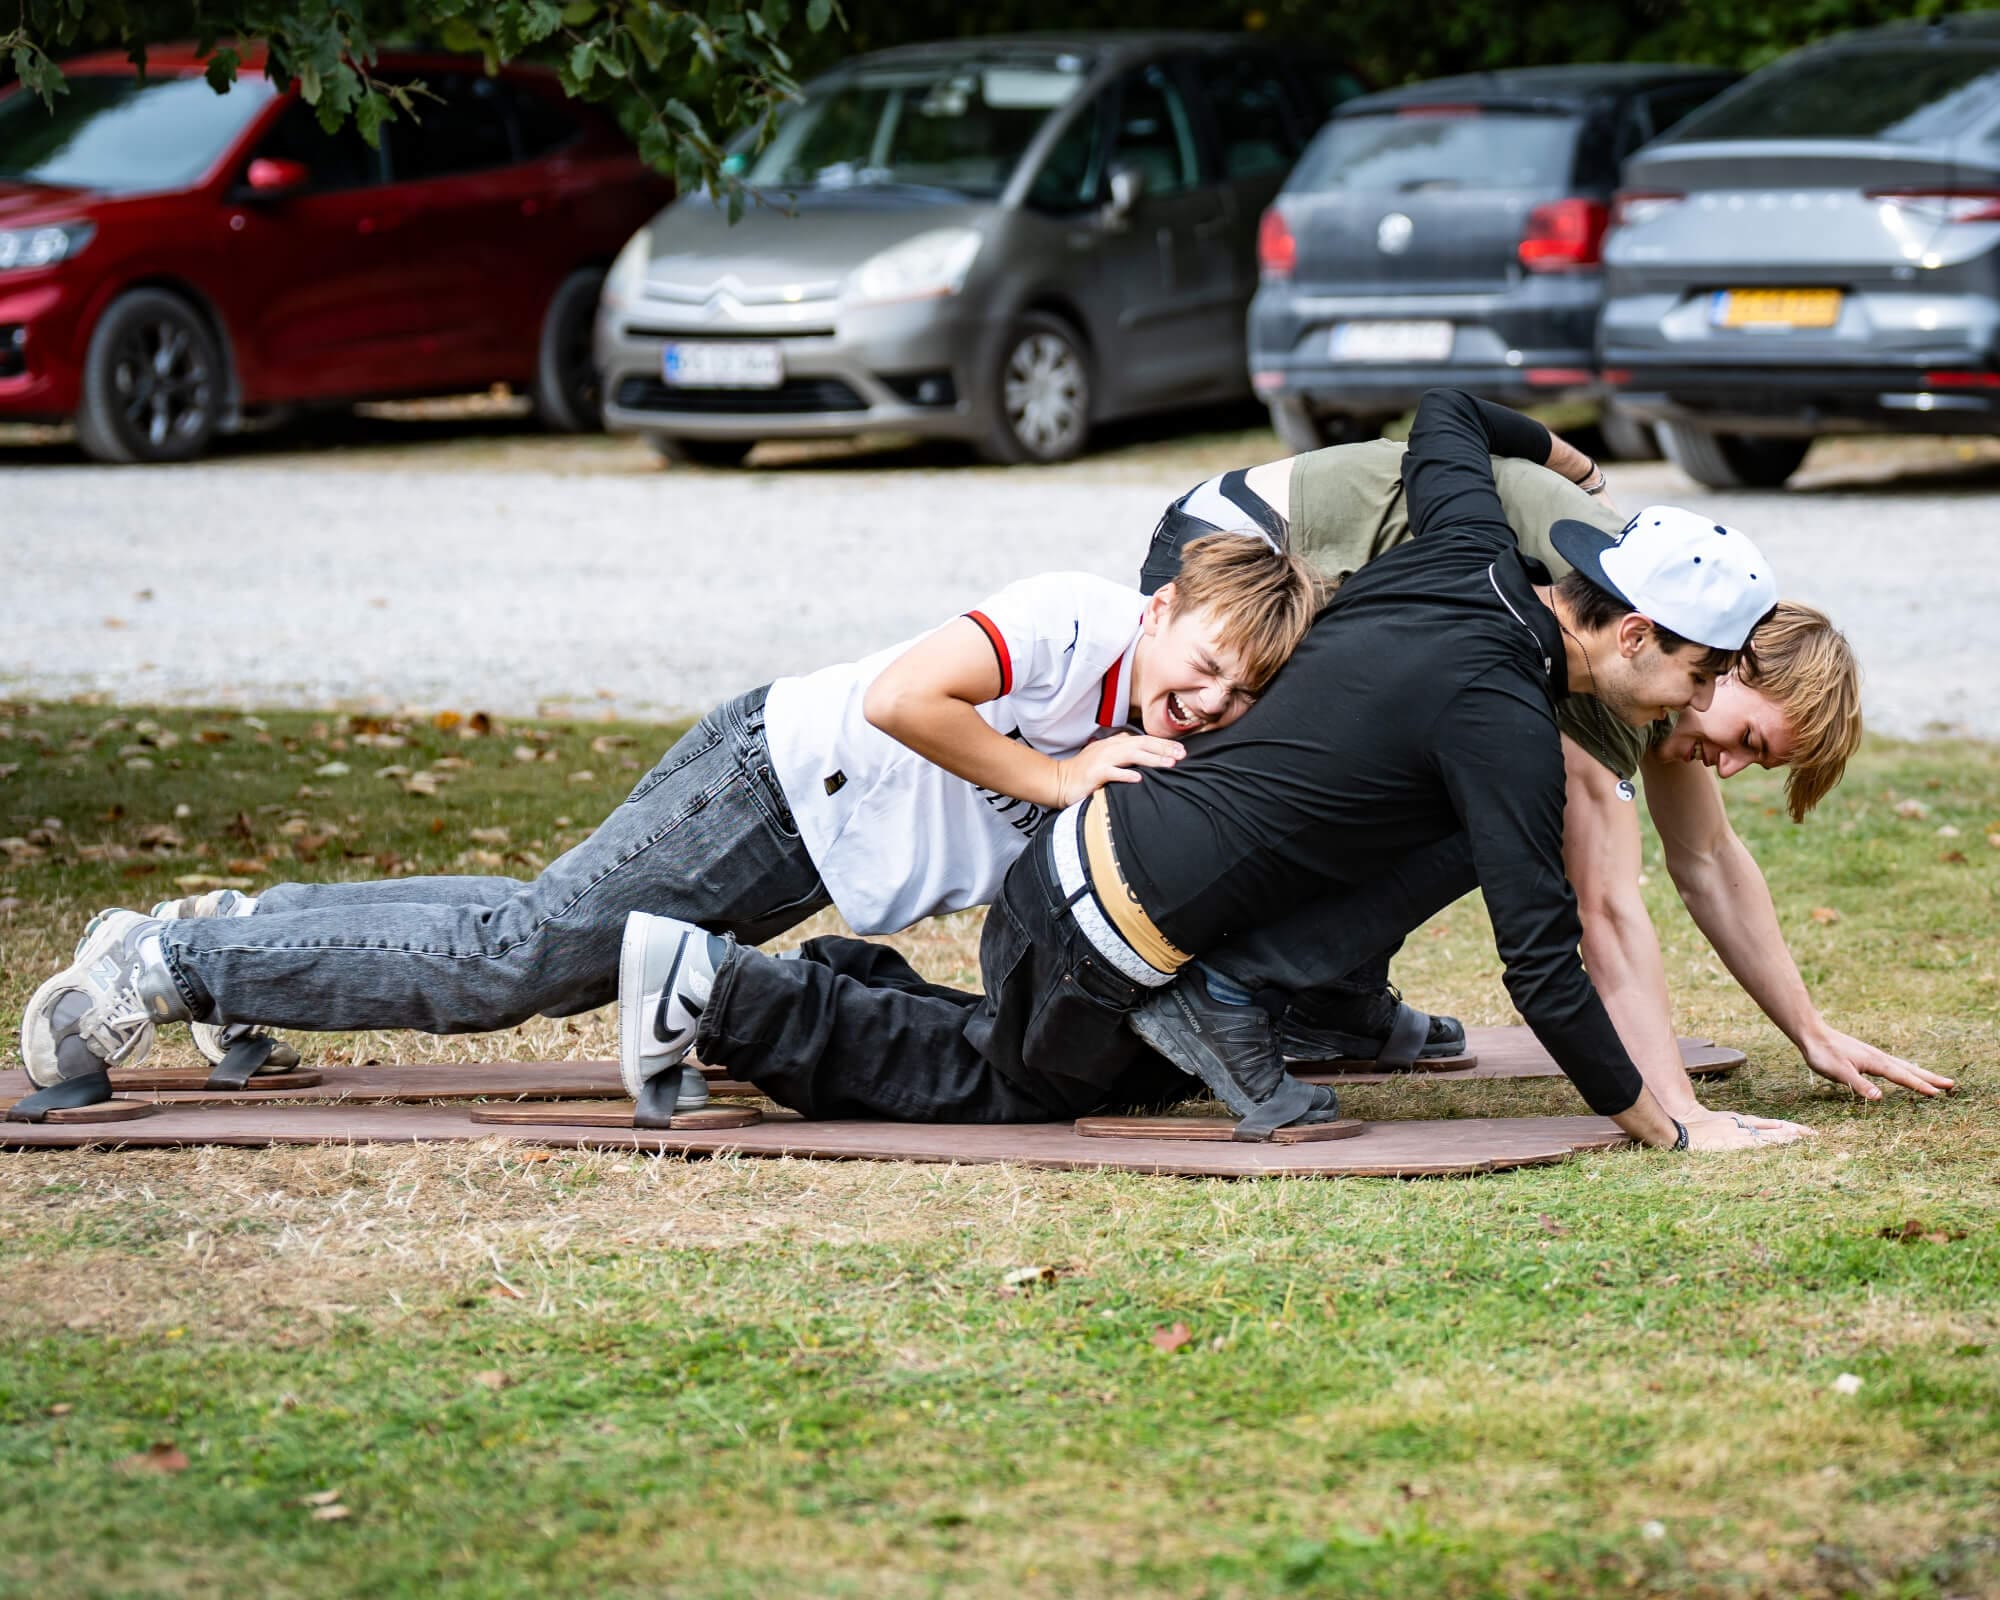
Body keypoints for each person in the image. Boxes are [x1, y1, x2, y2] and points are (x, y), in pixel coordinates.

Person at [618, 389, 1810, 1153]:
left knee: (1078, 1044)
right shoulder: (1498, 715)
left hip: (1082, 870)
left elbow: (1447, 413)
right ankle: (717, 993)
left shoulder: (1463, 543)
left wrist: (1568, 462)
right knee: (1014, 1085)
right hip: (1103, 922)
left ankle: (833, 983)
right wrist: (1664, 1126)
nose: (1695, 704)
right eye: (1700, 673)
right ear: (1634, 632)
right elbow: (1540, 962)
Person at [18, 536, 1322, 1124]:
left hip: (803, 839)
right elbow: (900, 699)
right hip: (775, 785)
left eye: (1239, 696)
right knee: (515, 963)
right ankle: (160, 968)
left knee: (525, 931)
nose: (1210, 700)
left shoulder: (1149, 726)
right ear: (1161, 610)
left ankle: (239, 933)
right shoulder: (1075, 623)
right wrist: (1059, 775)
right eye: (1205, 663)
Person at [1144, 435, 1952, 1109]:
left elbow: (1708, 857)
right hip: (1245, 552)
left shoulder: (1663, 657)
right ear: (1731, 661)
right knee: (1491, 791)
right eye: (1748, 739)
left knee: (1458, 769)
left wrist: (1810, 1030)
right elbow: (1605, 908)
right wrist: (1676, 1112)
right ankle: (1229, 988)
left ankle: (1327, 999)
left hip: (1331, 580)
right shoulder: (1624, 648)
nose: (1732, 767)